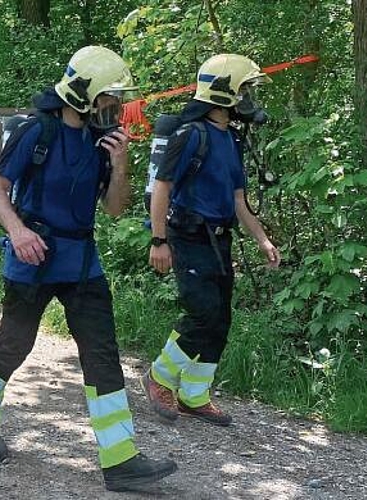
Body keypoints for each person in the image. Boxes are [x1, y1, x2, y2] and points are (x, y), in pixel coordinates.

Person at [0, 46, 177, 492]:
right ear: (82, 94)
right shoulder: (35, 131)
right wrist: (19, 233)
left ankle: (120, 461)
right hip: (32, 259)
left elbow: (115, 210)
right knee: (14, 343)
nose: (115, 109)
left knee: (101, 353)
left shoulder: (103, 143)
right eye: (108, 99)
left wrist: (120, 166)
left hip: (81, 263)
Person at [143, 54, 280, 426]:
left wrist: (262, 240)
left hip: (219, 240)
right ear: (224, 92)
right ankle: (159, 377)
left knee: (221, 318)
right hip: (186, 235)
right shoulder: (191, 135)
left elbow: (238, 201)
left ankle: (194, 394)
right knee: (202, 311)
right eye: (245, 89)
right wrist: (159, 241)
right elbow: (162, 188)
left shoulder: (232, 139)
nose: (249, 97)